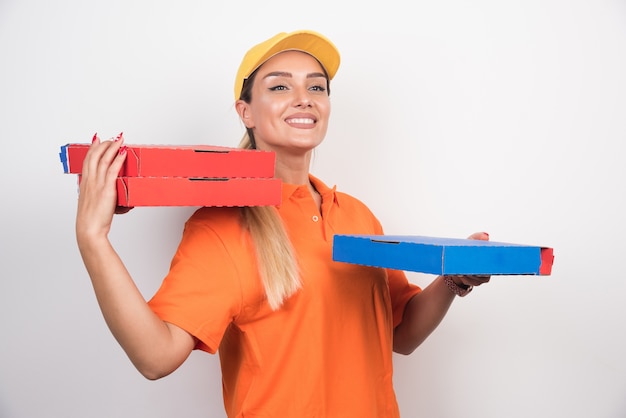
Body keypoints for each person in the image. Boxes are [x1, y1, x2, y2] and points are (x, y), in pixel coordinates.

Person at [75, 29, 490, 417]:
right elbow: (155, 356)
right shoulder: (224, 226)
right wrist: (94, 239)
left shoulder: (357, 215)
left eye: (316, 87)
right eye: (279, 86)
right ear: (246, 113)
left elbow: (402, 334)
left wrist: (453, 280)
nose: (304, 98)